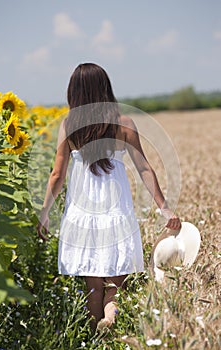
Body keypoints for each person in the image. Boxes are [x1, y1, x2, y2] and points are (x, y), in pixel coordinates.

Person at [37, 63, 181, 332]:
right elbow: (144, 168)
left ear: (75, 93)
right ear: (105, 88)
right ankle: (111, 319)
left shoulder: (70, 125)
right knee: (116, 282)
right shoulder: (123, 123)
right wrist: (164, 208)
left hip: (82, 215)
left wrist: (45, 214)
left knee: (93, 286)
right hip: (117, 211)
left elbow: (57, 174)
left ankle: (94, 337)